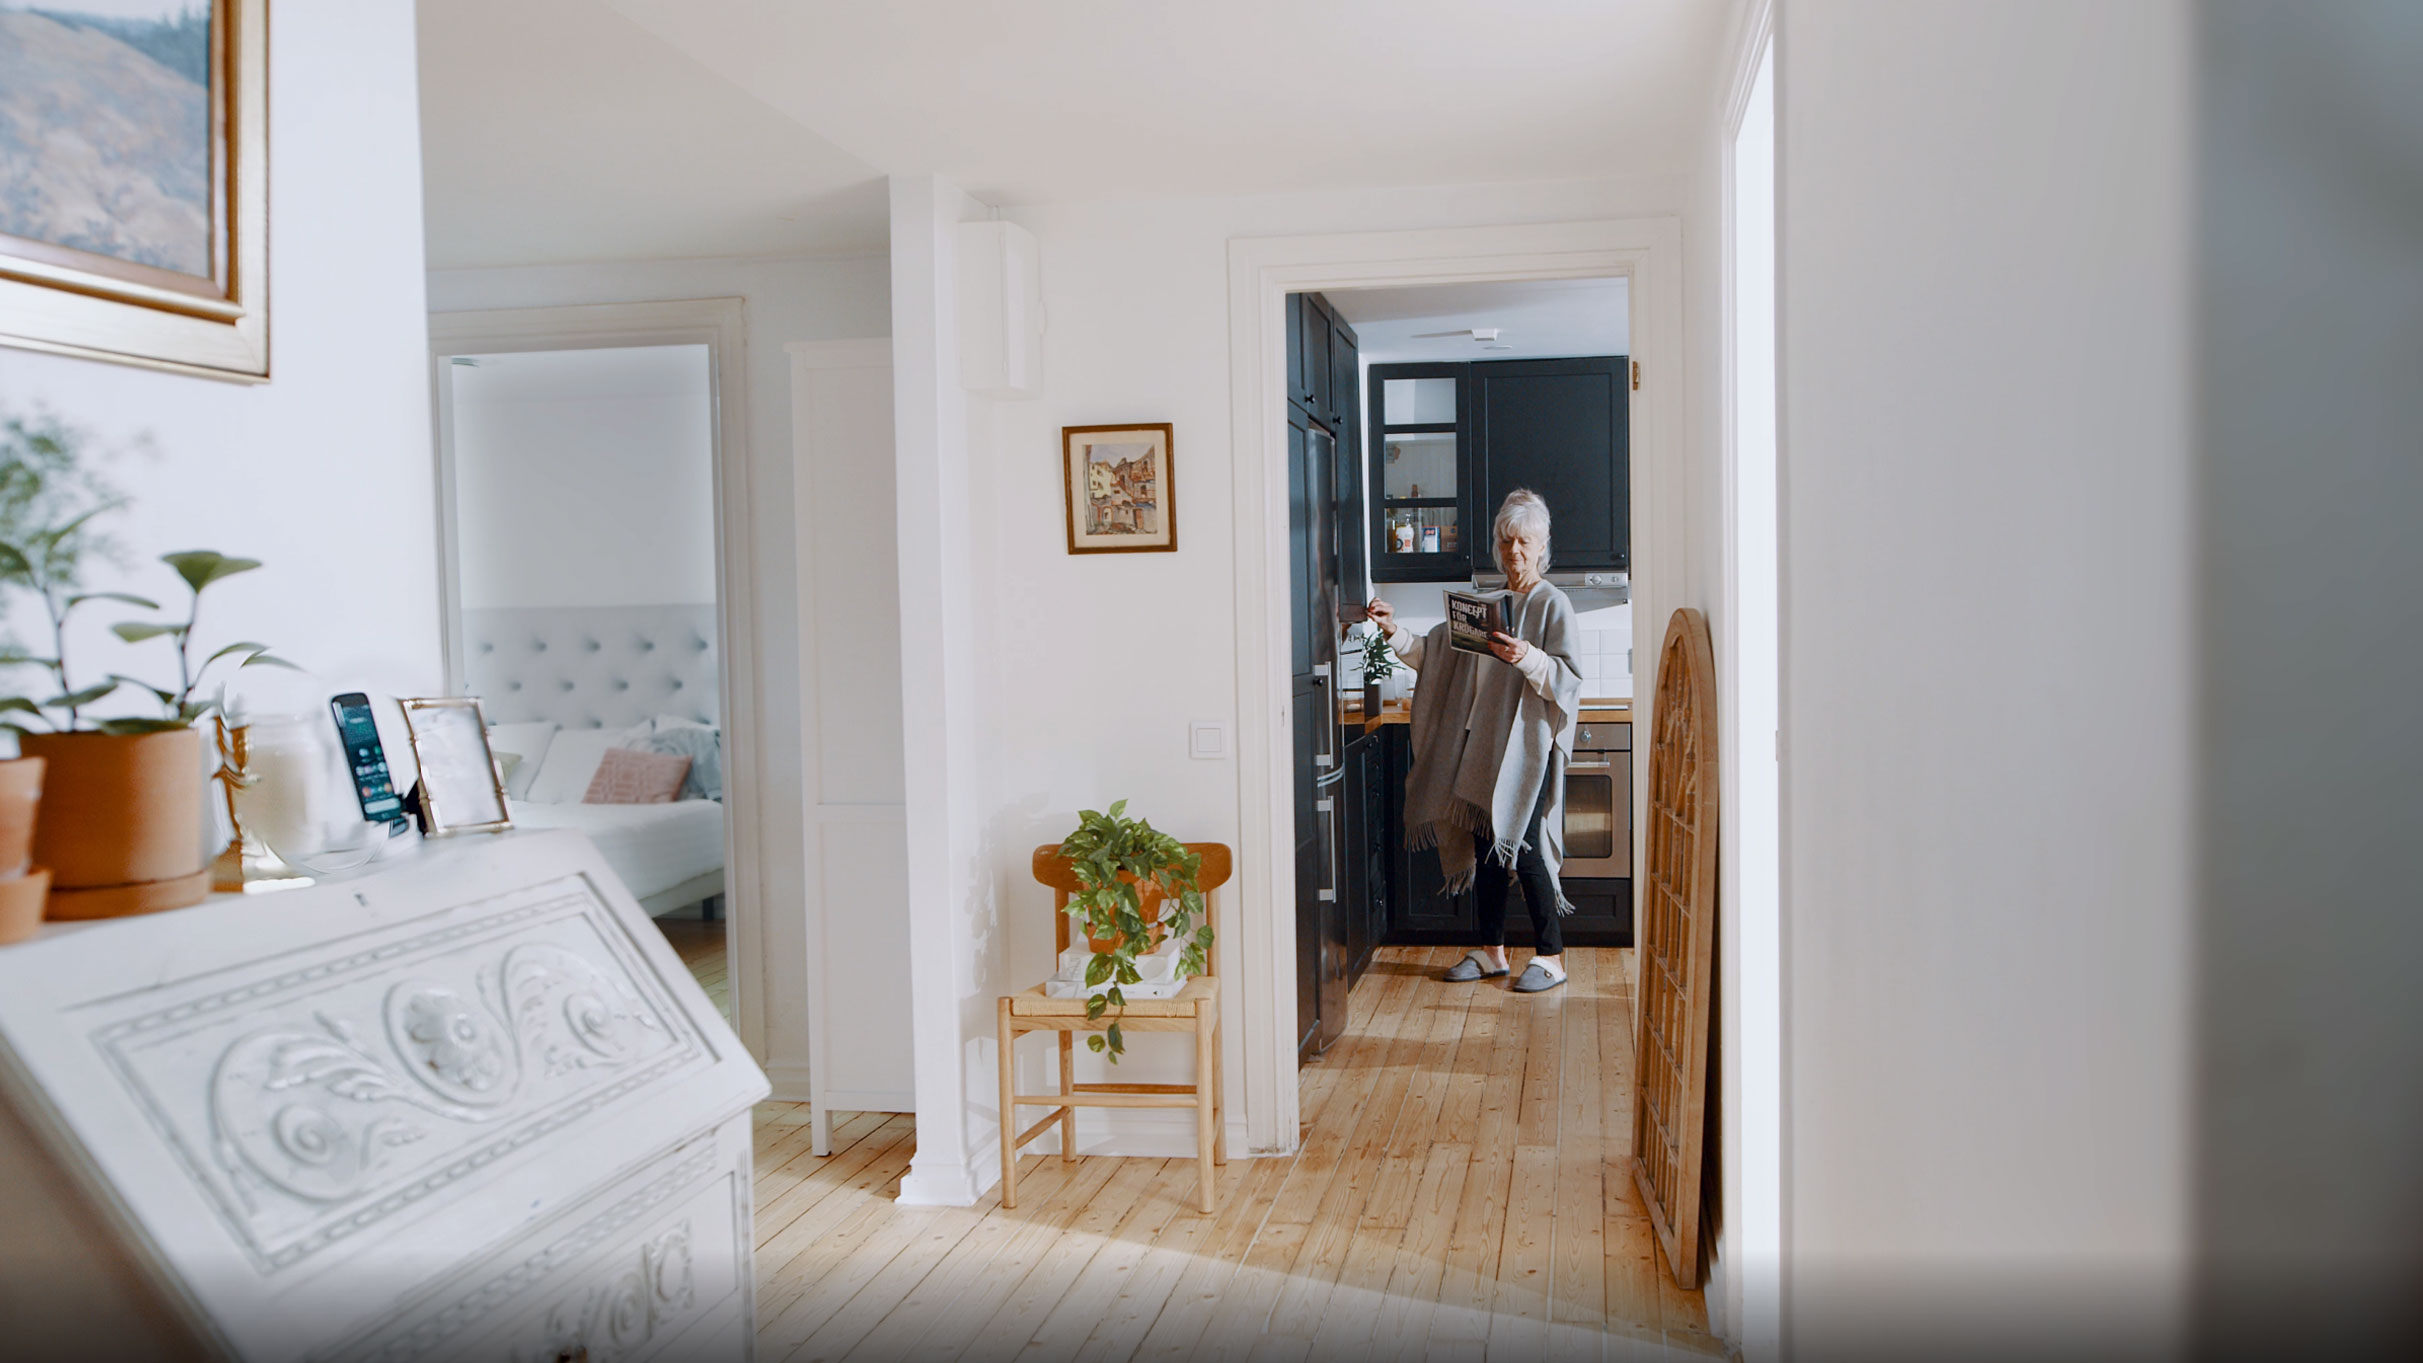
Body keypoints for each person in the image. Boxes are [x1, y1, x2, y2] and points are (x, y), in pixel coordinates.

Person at [1365, 488, 1583, 992]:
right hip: (1478, 748)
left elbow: (1568, 680)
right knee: (1487, 848)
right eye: (1506, 541)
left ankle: (1551, 955)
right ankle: (1492, 951)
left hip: (1525, 750)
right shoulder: (1483, 605)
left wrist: (1526, 655)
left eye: (1524, 542)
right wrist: (1391, 631)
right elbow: (1431, 655)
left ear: (1542, 545)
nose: (1514, 553)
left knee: (1524, 850)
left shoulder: (1553, 604)